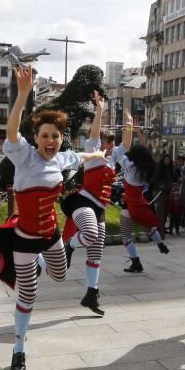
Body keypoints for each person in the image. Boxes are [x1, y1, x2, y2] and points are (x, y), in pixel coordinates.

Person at [0, 65, 105, 370]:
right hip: (25, 238)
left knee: (60, 276)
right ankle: (18, 349)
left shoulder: (62, 158)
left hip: (52, 234)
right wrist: (23, 95)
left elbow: (80, 156)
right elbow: (12, 131)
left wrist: (96, 155)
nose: (50, 141)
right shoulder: (24, 156)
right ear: (37, 138)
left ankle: (44, 263)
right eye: (45, 136)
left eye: (55, 136)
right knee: (28, 295)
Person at [61, 91, 125, 316]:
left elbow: (125, 145)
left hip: (99, 208)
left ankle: (91, 294)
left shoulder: (112, 159)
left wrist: (128, 125)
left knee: (96, 252)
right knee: (88, 233)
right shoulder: (94, 153)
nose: (110, 146)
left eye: (112, 144)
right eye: (109, 142)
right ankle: (69, 244)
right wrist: (99, 110)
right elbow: (95, 134)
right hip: (83, 201)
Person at [118, 123, 170, 273]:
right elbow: (144, 151)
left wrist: (128, 132)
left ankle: (136, 263)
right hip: (140, 202)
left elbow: (123, 152)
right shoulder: (146, 167)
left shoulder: (130, 166)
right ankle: (160, 243)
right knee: (148, 226)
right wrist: (139, 133)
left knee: (125, 235)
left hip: (130, 204)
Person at [152, 153, 175, 231]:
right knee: (160, 212)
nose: (167, 161)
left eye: (168, 160)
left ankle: (162, 227)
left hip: (167, 192)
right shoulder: (159, 169)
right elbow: (156, 180)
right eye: (166, 160)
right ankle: (159, 229)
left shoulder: (170, 169)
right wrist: (161, 187)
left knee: (165, 211)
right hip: (159, 192)